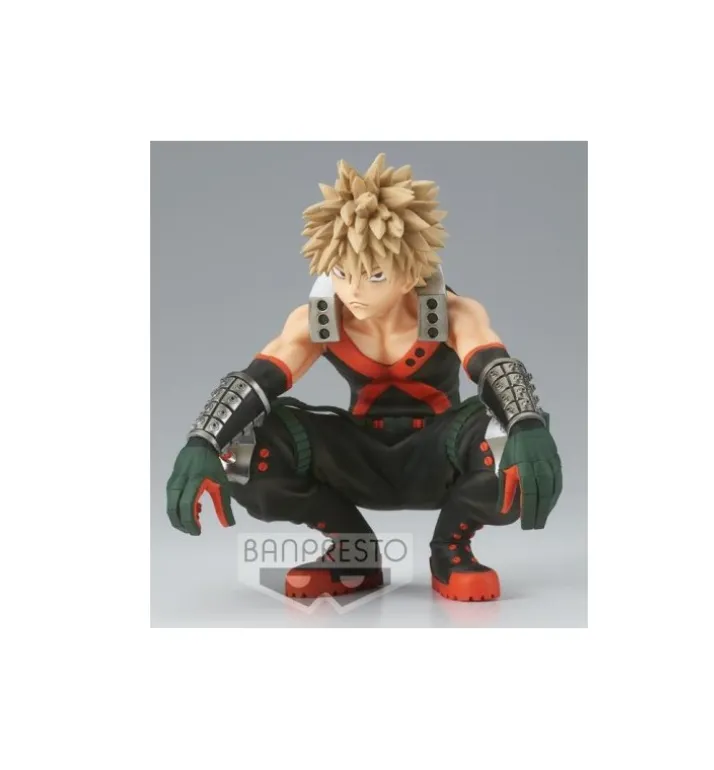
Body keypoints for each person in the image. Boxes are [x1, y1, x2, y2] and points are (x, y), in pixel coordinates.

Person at [166, 153, 562, 602]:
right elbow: (261, 377)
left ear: (409, 272)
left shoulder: (452, 313)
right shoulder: (320, 319)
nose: (353, 290)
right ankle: (351, 550)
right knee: (244, 448)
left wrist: (526, 422)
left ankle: (450, 550)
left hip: (441, 454)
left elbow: (492, 364)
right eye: (340, 273)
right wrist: (203, 440)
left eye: (374, 275)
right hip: (358, 454)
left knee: (509, 439)